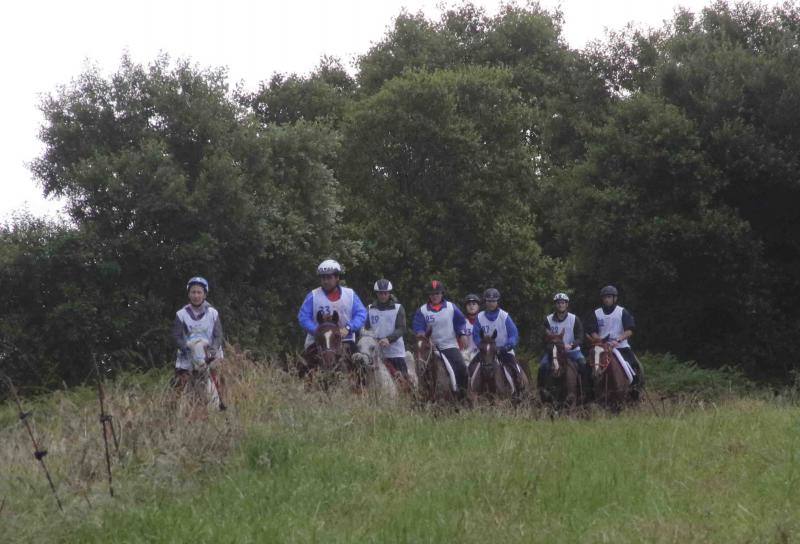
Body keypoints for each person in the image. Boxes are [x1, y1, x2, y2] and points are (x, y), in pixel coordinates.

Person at [172, 276, 226, 410]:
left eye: (199, 292)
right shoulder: (181, 314)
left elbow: (218, 334)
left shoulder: (213, 313)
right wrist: (185, 348)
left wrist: (213, 349)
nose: (196, 295)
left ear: (204, 294)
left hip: (209, 354)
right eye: (193, 292)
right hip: (188, 354)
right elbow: (176, 336)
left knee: (216, 380)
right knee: (180, 384)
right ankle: (175, 408)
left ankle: (220, 405)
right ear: (189, 294)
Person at [297, 259, 367, 358]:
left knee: (361, 362)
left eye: (329, 278)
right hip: (318, 341)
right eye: (323, 278)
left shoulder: (350, 294)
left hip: (345, 339)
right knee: (302, 364)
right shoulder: (312, 296)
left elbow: (361, 314)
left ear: (337, 278)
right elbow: (303, 317)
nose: (325, 281)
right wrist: (317, 330)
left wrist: (348, 328)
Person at [411, 280, 469, 398]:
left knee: (462, 368)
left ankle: (463, 396)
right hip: (431, 348)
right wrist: (422, 335)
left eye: (437, 293)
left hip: (449, 346)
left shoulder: (451, 307)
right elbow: (418, 327)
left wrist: (462, 334)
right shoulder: (422, 311)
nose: (435, 296)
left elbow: (460, 322)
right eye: (432, 294)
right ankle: (420, 395)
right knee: (419, 367)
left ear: (442, 294)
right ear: (429, 295)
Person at [585, 285, 644, 398]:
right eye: (605, 297)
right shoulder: (596, 313)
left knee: (634, 364)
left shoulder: (622, 312)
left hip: (620, 346)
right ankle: (588, 393)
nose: (606, 299)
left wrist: (618, 340)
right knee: (588, 366)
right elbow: (592, 331)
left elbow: (629, 330)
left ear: (614, 298)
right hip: (601, 347)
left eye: (609, 297)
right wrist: (599, 340)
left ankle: (636, 389)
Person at [471, 288, 527, 391]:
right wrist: (481, 346)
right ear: (485, 301)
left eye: (493, 301)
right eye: (489, 301)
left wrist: (507, 346)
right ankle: (468, 391)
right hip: (486, 352)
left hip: (503, 350)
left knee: (515, 368)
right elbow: (476, 335)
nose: (491, 303)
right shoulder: (479, 317)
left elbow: (513, 334)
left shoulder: (504, 316)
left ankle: (519, 389)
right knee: (471, 366)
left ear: (497, 301)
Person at [539, 292, 588, 389]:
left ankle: (586, 390)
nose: (560, 305)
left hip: (572, 350)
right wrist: (551, 347)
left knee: (583, 364)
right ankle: (541, 390)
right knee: (543, 366)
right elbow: (544, 339)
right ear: (555, 305)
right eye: (558, 303)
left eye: (563, 303)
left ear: (567, 304)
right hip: (554, 352)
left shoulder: (574, 319)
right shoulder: (548, 320)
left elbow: (580, 337)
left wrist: (572, 345)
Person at [364, 278, 409, 378]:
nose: (383, 296)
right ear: (377, 293)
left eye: (385, 293)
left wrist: (388, 339)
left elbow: (401, 328)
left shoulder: (398, 308)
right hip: (375, 353)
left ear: (389, 293)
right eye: (380, 293)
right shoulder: (369, 309)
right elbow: (365, 329)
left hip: (395, 352)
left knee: (404, 381)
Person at [462, 293, 481, 360]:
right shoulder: (462, 322)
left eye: (474, 304)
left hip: (481, 353)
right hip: (466, 354)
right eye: (469, 304)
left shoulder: (483, 321)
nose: (471, 306)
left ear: (478, 306)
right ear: (465, 307)